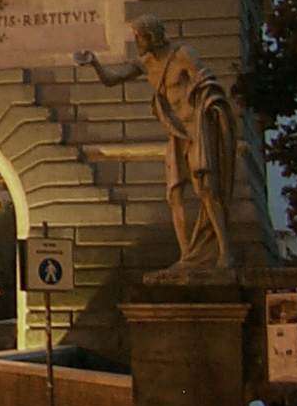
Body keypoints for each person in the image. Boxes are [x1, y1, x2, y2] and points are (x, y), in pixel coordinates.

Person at [75, 15, 236, 269]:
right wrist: (94, 62)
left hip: (196, 127)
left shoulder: (183, 54)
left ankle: (226, 252)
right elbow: (112, 79)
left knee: (207, 189)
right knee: (174, 194)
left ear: (151, 36)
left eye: (139, 37)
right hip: (176, 132)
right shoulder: (146, 63)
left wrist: (208, 106)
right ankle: (187, 256)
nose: (136, 41)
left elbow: (206, 81)